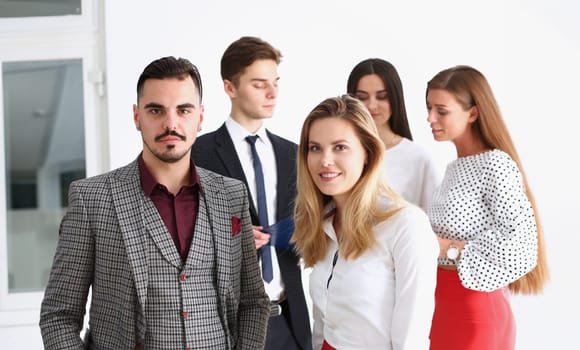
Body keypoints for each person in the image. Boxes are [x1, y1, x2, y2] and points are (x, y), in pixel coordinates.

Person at [39, 56, 270, 349]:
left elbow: (253, 301)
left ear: (200, 117)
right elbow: (58, 315)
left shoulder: (232, 195)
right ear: (137, 116)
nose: (170, 123)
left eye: (183, 110)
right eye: (156, 110)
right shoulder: (92, 199)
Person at [192, 36, 312, 350]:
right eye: (259, 84)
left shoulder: (294, 155)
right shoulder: (198, 155)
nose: (272, 93)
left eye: (275, 82)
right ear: (229, 87)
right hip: (227, 325)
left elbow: (311, 230)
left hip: (290, 320)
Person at [292, 95, 439, 350]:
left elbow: (412, 339)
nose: (325, 160)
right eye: (315, 148)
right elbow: (322, 325)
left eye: (340, 147)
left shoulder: (406, 225)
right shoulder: (322, 224)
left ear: (368, 154)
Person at [425, 65, 549, 350]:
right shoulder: (452, 169)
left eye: (441, 111)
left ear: (473, 113)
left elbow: (524, 247)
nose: (430, 118)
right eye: (429, 108)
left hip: (474, 312)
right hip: (439, 306)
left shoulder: (495, 165)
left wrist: (446, 248)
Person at [347, 58, 439, 210]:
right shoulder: (338, 152)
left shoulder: (417, 158)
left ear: (395, 98)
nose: (371, 105)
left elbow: (434, 225)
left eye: (382, 96)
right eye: (362, 97)